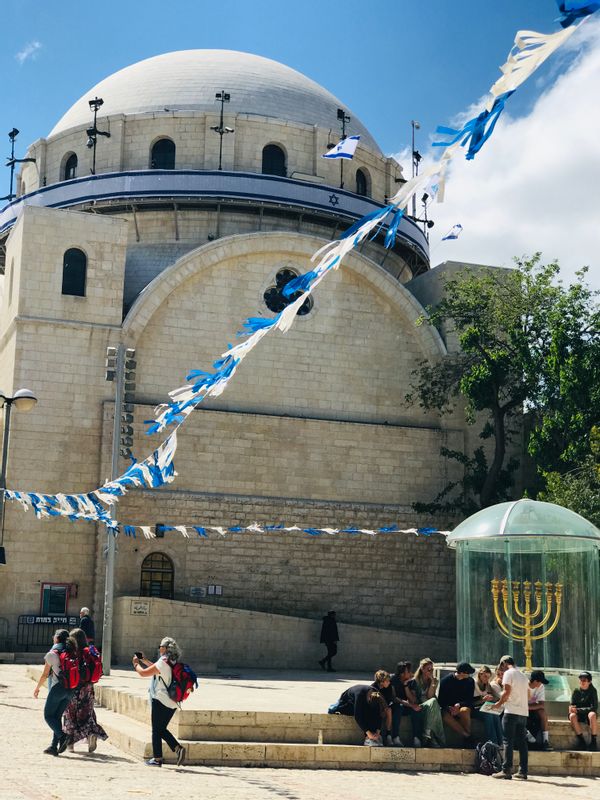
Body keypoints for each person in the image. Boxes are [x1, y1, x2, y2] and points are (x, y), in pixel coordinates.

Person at [133, 636, 186, 766]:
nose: (159, 648)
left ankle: (157, 759)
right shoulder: (172, 661)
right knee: (161, 729)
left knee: (156, 730)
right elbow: (156, 669)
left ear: (165, 648)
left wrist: (136, 665)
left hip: (160, 700)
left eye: (160, 646)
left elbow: (144, 673)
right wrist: (144, 660)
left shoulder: (163, 661)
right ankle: (178, 749)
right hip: (173, 702)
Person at [62, 627, 107, 753]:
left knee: (70, 715)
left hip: (74, 687)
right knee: (87, 713)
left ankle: (70, 744)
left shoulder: (73, 652)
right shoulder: (90, 651)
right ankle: (91, 733)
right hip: (88, 687)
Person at [33, 629, 77, 756]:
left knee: (48, 716)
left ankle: (63, 737)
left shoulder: (52, 654)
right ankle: (53, 746)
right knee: (56, 717)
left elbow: (45, 674)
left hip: (58, 688)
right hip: (70, 689)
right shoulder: (72, 652)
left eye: (54, 636)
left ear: (57, 638)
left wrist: (37, 688)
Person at [491, 654, 530, 780]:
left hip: (511, 711)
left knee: (508, 741)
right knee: (522, 743)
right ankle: (523, 771)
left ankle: (506, 770)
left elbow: (507, 692)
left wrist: (498, 704)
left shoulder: (509, 673)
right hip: (523, 712)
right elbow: (528, 695)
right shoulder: (523, 675)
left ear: (503, 664)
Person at [438, 661, 476, 746]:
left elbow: (469, 700)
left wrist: (459, 705)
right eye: (468, 673)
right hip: (449, 708)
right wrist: (449, 708)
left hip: (462, 706)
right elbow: (441, 700)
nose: (469, 675)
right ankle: (467, 736)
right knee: (445, 716)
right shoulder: (445, 681)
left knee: (465, 711)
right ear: (462, 673)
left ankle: (467, 740)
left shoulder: (470, 681)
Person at [390, 661, 424, 747]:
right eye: (408, 672)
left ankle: (417, 738)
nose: (411, 673)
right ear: (402, 674)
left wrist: (406, 686)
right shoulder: (393, 680)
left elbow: (413, 700)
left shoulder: (412, 681)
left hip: (407, 705)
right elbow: (394, 698)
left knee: (417, 710)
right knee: (399, 707)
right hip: (396, 705)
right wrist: (411, 705)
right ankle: (395, 737)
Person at [413, 658, 445, 747]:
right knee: (434, 704)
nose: (431, 671)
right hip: (421, 705)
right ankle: (432, 737)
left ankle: (428, 734)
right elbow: (416, 699)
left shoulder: (435, 680)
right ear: (422, 669)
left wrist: (432, 683)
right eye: (428, 669)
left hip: (431, 705)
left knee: (434, 703)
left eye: (432, 669)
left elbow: (430, 696)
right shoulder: (415, 681)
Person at [471, 665, 502, 745]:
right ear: (480, 675)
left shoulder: (487, 685)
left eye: (488, 677)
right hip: (474, 709)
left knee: (495, 715)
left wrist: (492, 699)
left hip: (484, 707)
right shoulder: (473, 684)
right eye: (485, 676)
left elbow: (493, 697)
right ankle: (493, 742)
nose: (486, 679)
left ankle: (501, 741)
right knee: (488, 715)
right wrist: (483, 700)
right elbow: (471, 702)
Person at [568, 671, 598, 751]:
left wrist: (578, 710)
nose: (582, 682)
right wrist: (572, 708)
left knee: (592, 714)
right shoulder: (576, 691)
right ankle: (581, 741)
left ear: (589, 682)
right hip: (579, 714)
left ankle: (593, 741)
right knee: (572, 716)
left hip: (587, 714)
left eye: (584, 680)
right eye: (581, 680)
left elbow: (594, 707)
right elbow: (572, 705)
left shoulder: (593, 691)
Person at [526, 669, 552, 750]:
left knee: (542, 712)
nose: (541, 683)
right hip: (521, 708)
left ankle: (545, 740)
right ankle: (526, 734)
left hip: (530, 707)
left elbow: (542, 705)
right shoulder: (523, 685)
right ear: (535, 681)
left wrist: (528, 707)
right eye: (540, 681)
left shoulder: (540, 686)